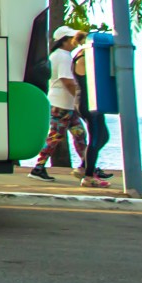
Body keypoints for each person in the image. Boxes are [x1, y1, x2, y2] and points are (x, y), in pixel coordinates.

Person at [28, 25, 90, 184]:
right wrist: (81, 99)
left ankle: (88, 167)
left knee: (79, 135)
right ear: (64, 41)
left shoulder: (58, 55)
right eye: (72, 39)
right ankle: (38, 168)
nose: (75, 42)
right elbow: (67, 82)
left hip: (65, 105)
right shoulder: (63, 56)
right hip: (61, 105)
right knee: (55, 137)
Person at [73, 38, 114, 187]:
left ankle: (83, 166)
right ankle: (89, 177)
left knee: (104, 136)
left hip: (91, 101)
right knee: (95, 139)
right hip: (88, 103)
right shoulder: (84, 57)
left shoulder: (84, 56)